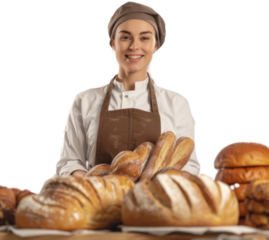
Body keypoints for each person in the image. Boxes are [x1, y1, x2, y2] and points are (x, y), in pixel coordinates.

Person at [40, 0, 200, 190]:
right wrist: (96, 185)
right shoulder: (85, 100)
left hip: (153, 206)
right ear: (113, 43)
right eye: (125, 37)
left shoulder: (176, 103)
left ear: (156, 44)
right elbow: (69, 162)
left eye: (144, 38)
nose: (134, 46)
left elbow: (189, 165)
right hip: (98, 204)